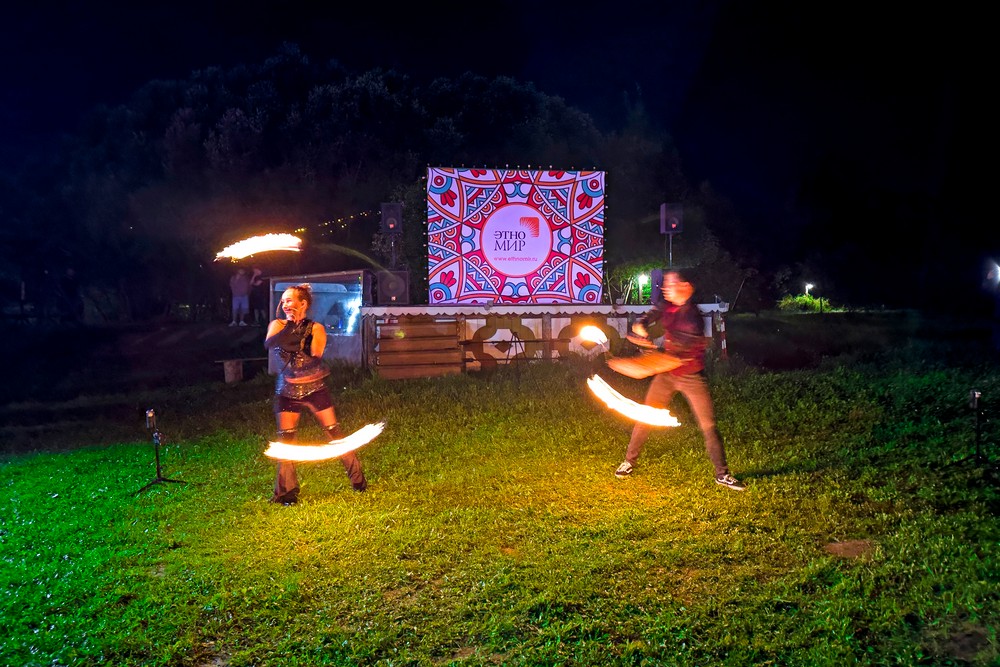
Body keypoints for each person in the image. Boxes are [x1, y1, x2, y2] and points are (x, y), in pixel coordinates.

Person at [614, 269, 746, 491]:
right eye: (664, 284)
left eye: (670, 284)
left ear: (685, 287)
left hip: (690, 376)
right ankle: (629, 461)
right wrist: (642, 325)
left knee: (708, 425)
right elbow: (653, 313)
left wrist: (647, 362)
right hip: (667, 375)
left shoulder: (692, 318)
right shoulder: (667, 305)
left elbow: (679, 355)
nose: (665, 288)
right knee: (645, 415)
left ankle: (722, 474)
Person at [265, 284, 367, 504]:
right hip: (287, 389)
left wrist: (300, 334)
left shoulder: (316, 328)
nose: (285, 304)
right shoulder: (277, 325)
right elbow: (270, 343)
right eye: (283, 300)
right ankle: (287, 493)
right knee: (286, 440)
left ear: (303, 303)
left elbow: (316, 355)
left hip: (313, 388)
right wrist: (290, 326)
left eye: (290, 300)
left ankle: (358, 481)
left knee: (334, 434)